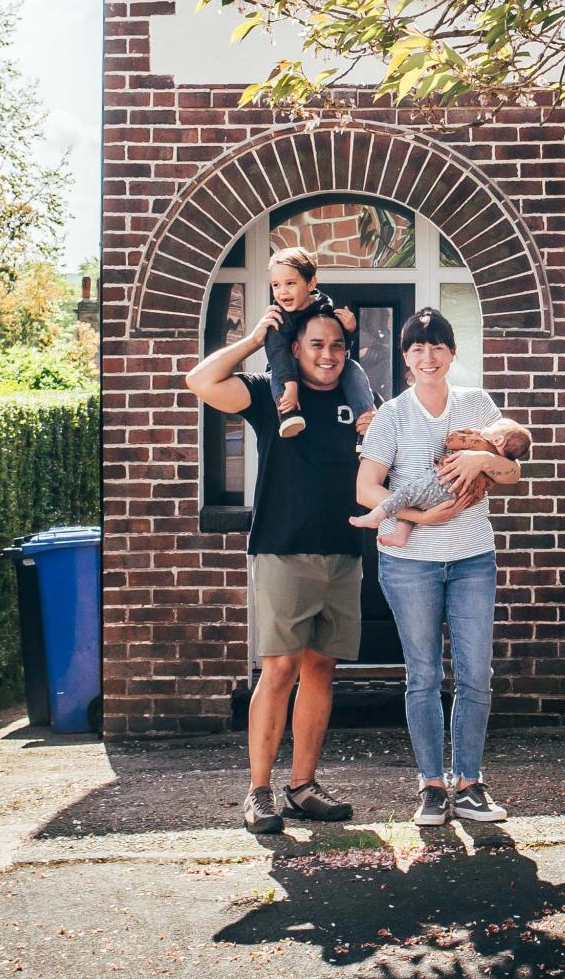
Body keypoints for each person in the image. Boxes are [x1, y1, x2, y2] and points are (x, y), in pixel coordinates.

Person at [185, 302, 369, 835]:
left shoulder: (359, 401)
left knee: (321, 669)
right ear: (294, 348)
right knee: (280, 670)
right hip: (283, 550)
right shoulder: (271, 393)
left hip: (344, 552)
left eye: (337, 346)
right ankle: (258, 792)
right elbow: (199, 379)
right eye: (316, 344)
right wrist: (254, 338)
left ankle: (303, 787)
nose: (328, 355)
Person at [356, 307, 528, 828]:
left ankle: (470, 784)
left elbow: (513, 470)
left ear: (452, 353)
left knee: (476, 673)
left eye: (437, 347)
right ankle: (432, 786)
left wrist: (481, 461)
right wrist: (420, 515)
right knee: (424, 676)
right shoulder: (393, 415)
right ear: (406, 358)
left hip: (473, 558)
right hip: (411, 564)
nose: (427, 357)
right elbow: (366, 488)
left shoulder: (477, 404)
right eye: (416, 348)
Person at [351, 420, 531, 548]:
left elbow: (452, 440)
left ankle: (376, 517)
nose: (488, 426)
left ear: (498, 440)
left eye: (493, 427)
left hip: (442, 482)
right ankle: (401, 535)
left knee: (406, 494)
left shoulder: (480, 442)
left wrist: (474, 435)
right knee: (417, 502)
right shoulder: (499, 462)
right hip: (456, 498)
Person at [261, 247, 380, 436]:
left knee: (353, 367)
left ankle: (366, 418)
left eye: (290, 283)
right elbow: (278, 354)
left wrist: (350, 329)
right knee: (279, 371)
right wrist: (291, 387)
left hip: (317, 368)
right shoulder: (278, 317)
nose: (282, 292)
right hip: (284, 366)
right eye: (276, 285)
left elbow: (338, 345)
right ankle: (288, 413)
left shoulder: (324, 304)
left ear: (310, 284)